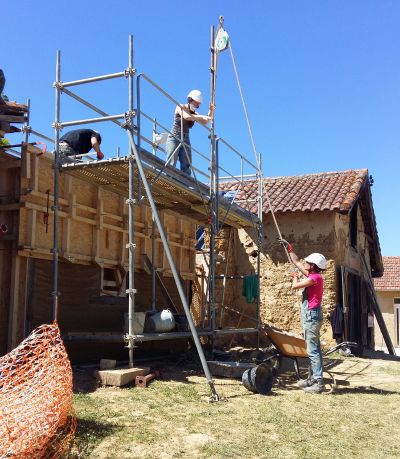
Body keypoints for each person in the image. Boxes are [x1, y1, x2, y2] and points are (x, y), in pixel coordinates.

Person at [281, 240, 327, 393]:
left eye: (308, 262)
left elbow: (295, 286)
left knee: (313, 351)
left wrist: (294, 277)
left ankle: (318, 383)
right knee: (314, 349)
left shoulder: (314, 278)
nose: (305, 263)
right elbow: (296, 262)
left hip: (311, 316)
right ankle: (312, 379)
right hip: (313, 315)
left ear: (313, 266)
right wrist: (290, 249)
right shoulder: (314, 275)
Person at [165, 89, 214, 176]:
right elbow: (186, 116)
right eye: (197, 102)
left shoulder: (195, 113)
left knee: (186, 163)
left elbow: (205, 122)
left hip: (186, 137)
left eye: (199, 104)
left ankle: (185, 184)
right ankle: (168, 178)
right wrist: (201, 116)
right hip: (175, 135)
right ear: (190, 99)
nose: (197, 105)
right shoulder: (180, 106)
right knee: (171, 161)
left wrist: (211, 111)